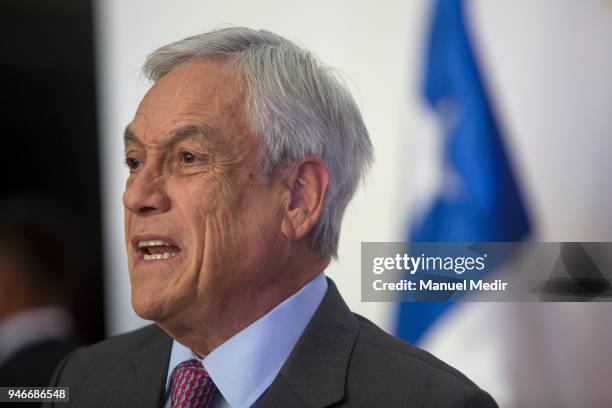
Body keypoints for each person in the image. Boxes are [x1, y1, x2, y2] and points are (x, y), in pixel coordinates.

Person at [46, 27, 497, 407]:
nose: (137, 196)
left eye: (186, 157)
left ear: (299, 197)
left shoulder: (429, 402)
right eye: (134, 161)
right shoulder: (82, 380)